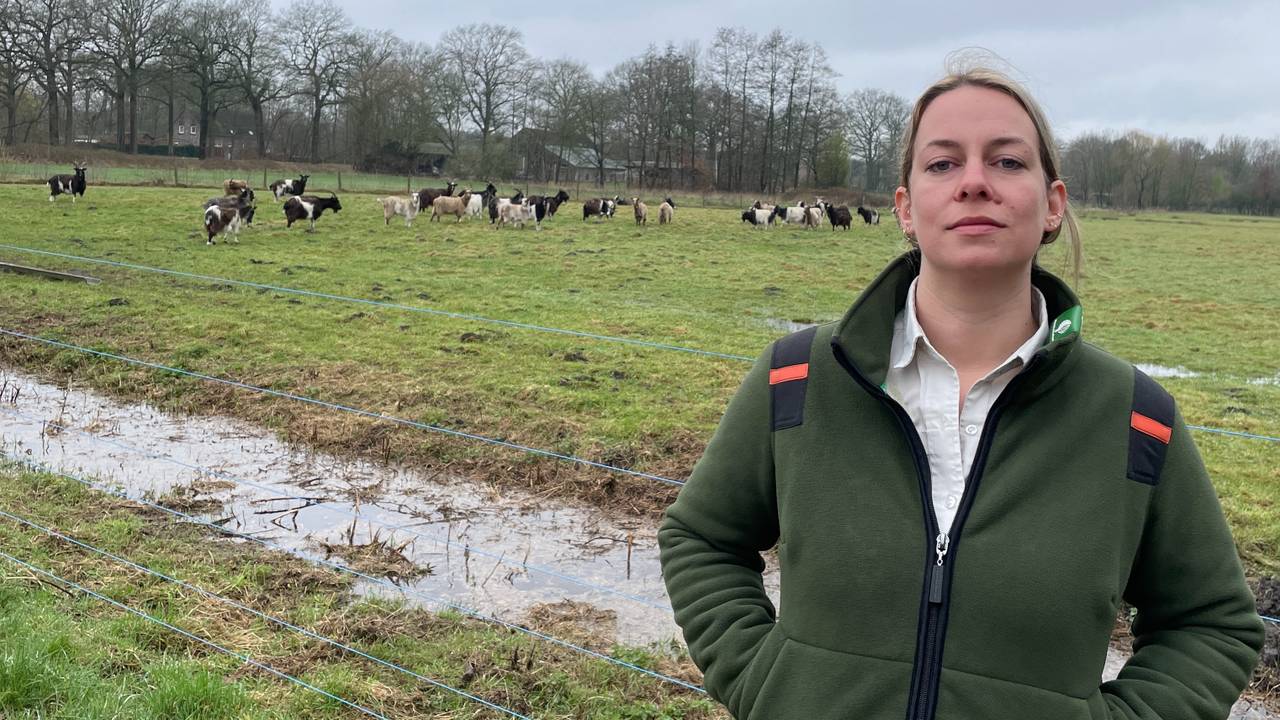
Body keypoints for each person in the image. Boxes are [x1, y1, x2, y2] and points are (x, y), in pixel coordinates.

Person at [658, 63, 1264, 720]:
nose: (974, 182)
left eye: (1007, 161)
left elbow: (1211, 625)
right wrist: (769, 683)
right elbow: (701, 537)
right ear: (906, 208)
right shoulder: (797, 379)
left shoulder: (1136, 422)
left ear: (1053, 204)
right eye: (943, 165)